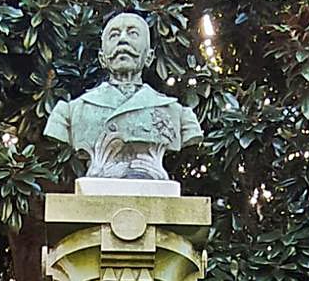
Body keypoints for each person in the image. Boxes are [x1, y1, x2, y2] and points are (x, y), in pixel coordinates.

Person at [44, 12, 203, 180]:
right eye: (114, 35)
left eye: (133, 33)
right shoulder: (68, 112)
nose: (123, 40)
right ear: (102, 59)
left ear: (148, 57)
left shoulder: (179, 114)